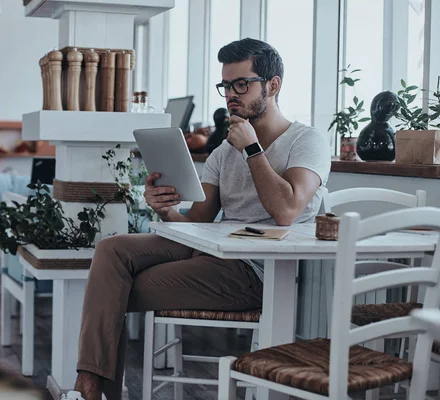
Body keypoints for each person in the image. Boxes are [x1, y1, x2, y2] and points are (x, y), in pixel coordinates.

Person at [64, 37, 331, 400]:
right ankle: (90, 386)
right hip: (210, 250)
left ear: (273, 85)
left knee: (111, 289)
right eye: (226, 85)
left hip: (254, 270)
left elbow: (286, 212)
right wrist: (165, 208)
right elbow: (201, 219)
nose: (231, 95)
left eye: (242, 84)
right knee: (112, 250)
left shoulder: (306, 141)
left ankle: (91, 389)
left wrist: (252, 149)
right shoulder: (224, 151)